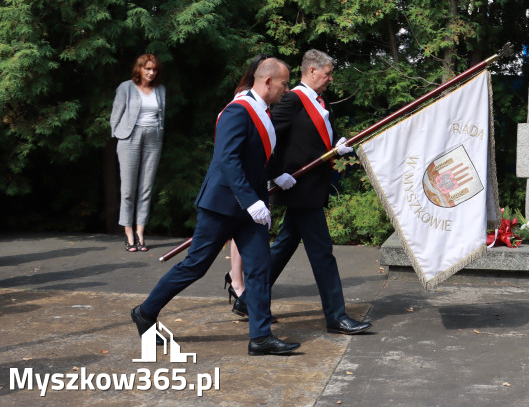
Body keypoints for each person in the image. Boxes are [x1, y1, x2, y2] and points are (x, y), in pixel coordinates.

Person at [130, 57, 301, 356]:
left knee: (260, 268)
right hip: (223, 205)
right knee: (195, 266)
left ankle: (260, 337)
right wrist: (252, 202)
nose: (287, 90)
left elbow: (259, 153)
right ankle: (145, 312)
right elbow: (228, 160)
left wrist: (277, 174)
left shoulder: (263, 112)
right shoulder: (237, 110)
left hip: (250, 209)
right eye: (285, 84)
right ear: (268, 81)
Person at [235, 49, 371, 335]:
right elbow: (264, 138)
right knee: (323, 254)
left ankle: (247, 300)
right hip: (298, 188)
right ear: (311, 71)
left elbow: (315, 139)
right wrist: (274, 174)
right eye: (327, 73)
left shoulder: (319, 101)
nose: (331, 79)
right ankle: (336, 316)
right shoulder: (293, 99)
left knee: (284, 246)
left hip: (312, 187)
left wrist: (338, 144)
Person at [223, 54, 271, 315]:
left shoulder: (262, 102)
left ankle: (259, 327)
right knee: (196, 263)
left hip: (252, 182)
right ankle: (237, 281)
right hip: (238, 186)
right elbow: (231, 154)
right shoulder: (243, 102)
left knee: (255, 250)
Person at [110, 53, 166, 252]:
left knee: (146, 188)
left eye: (154, 69)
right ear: (139, 69)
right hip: (129, 138)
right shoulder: (126, 87)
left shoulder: (160, 90)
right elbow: (115, 115)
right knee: (128, 189)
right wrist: (118, 135)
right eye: (147, 68)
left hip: (153, 139)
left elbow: (162, 116)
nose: (151, 73)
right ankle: (128, 233)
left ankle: (141, 233)